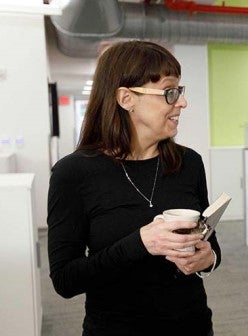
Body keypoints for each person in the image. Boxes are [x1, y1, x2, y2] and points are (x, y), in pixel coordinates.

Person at [47, 41, 220, 336]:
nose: (182, 102)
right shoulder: (73, 173)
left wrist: (209, 259)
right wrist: (140, 243)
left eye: (180, 91)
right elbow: (65, 280)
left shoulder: (189, 163)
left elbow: (210, 243)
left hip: (192, 324)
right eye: (169, 92)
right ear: (126, 98)